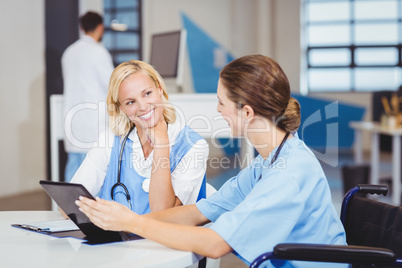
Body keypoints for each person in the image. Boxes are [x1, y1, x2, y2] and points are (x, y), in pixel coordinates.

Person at [76, 55, 347, 267]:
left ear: (247, 112)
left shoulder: (288, 174)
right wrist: (127, 226)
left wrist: (132, 223)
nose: (217, 110)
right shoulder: (266, 164)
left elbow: (216, 244)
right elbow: (197, 213)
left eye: (221, 102)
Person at [71, 60, 208, 214]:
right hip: (116, 238)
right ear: (122, 108)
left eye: (147, 93)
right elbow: (70, 203)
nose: (143, 106)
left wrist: (161, 142)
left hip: (164, 238)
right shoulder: (110, 140)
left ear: (160, 88)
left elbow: (161, 213)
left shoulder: (193, 146)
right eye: (130, 102)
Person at [62, 11, 115, 182]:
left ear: (82, 27)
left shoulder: (69, 52)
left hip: (73, 122)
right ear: (100, 28)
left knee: (73, 171)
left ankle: (67, 208)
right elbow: (113, 85)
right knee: (93, 174)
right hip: (92, 123)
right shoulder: (98, 52)